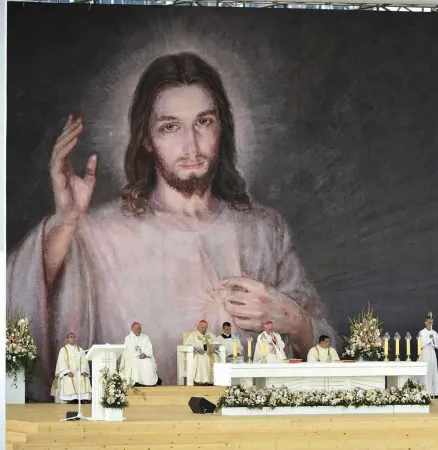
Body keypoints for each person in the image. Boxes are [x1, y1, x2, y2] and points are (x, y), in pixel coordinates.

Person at [6, 52, 340, 400]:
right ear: (147, 139)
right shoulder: (98, 234)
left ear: (221, 128)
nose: (191, 145)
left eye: (204, 122)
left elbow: (331, 352)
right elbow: (19, 315)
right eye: (170, 127)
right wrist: (65, 223)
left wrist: (294, 319)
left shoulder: (264, 231)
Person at [50, 333, 91, 404]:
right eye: (71, 337)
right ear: (67, 339)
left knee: (84, 378)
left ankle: (81, 399)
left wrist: (84, 370)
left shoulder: (80, 349)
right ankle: (71, 399)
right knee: (69, 379)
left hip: (79, 372)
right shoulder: (63, 350)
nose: (73, 338)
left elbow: (84, 361)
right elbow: (61, 362)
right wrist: (67, 371)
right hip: (69, 372)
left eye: (74, 337)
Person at [120, 322, 160, 387]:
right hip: (133, 357)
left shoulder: (145, 337)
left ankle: (148, 383)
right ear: (132, 329)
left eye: (140, 329)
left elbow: (149, 348)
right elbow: (129, 350)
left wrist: (144, 354)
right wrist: (139, 355)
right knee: (135, 362)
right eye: (137, 329)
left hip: (144, 356)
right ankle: (136, 382)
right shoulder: (128, 338)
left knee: (148, 362)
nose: (139, 330)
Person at [185, 320, 219, 385]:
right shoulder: (193, 334)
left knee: (217, 358)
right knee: (203, 359)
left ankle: (213, 381)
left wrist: (213, 346)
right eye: (202, 327)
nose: (203, 329)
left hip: (210, 353)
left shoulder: (209, 334)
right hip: (198, 354)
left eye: (205, 328)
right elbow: (188, 343)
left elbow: (216, 341)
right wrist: (197, 348)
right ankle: (202, 380)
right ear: (198, 327)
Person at [418, 312, 438, 396]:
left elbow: (437, 345)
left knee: (433, 371)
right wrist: (428, 340)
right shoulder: (421, 332)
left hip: (432, 352)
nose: (430, 324)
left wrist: (433, 340)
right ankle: (424, 391)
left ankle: (433, 392)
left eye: (431, 322)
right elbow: (420, 344)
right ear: (425, 322)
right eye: (429, 322)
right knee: (426, 371)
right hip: (424, 352)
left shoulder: (434, 333)